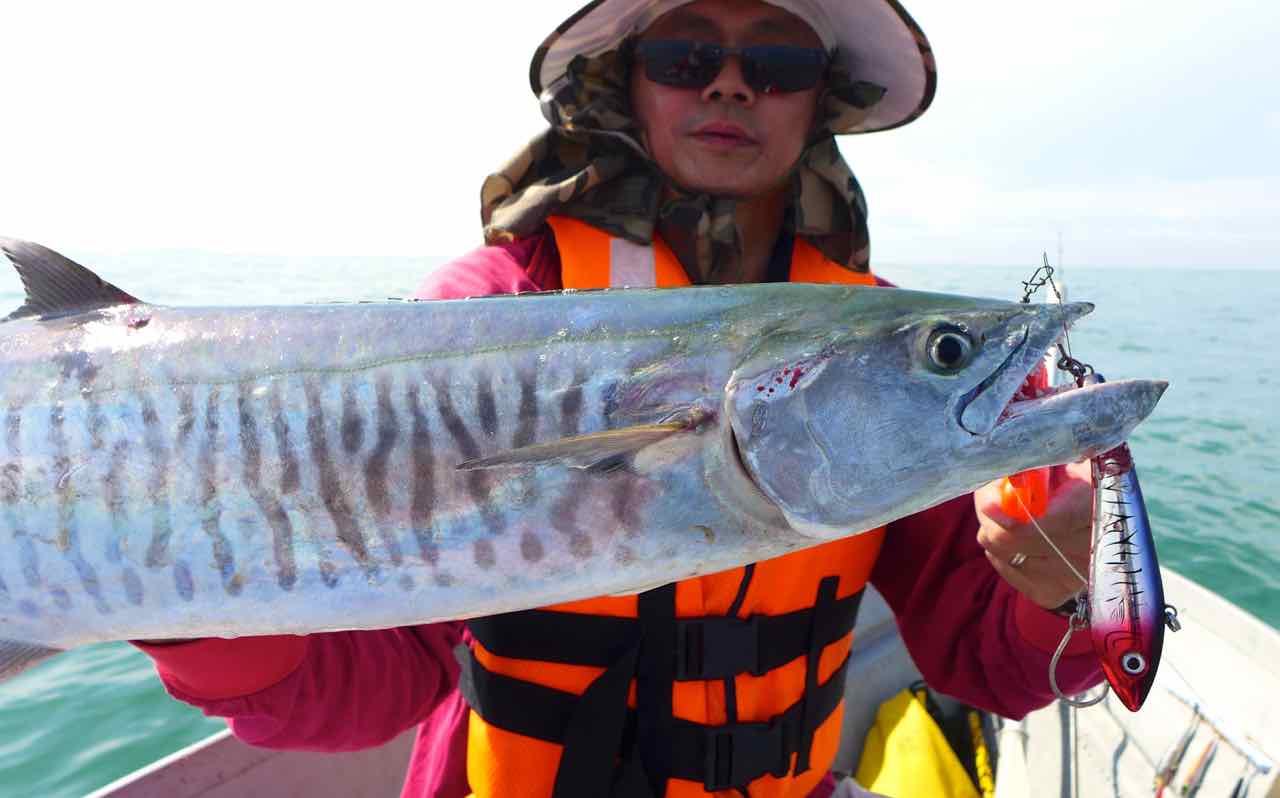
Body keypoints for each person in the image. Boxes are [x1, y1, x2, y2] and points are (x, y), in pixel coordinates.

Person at [137, 2, 1102, 796]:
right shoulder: (489, 310)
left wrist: (1058, 585)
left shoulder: (885, 359)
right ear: (627, 80)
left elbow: (992, 664)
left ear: (821, 98)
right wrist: (177, 605)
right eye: (686, 53)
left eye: (778, 58)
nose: (730, 84)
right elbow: (369, 681)